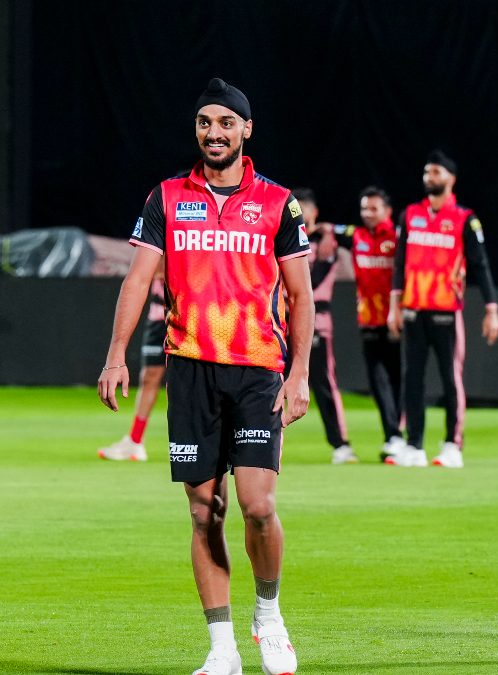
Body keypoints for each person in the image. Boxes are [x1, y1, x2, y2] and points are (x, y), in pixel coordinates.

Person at [98, 77, 312, 675]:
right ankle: (221, 650)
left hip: (258, 371)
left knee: (258, 506)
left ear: (247, 129)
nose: (213, 133)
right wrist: (116, 354)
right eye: (204, 123)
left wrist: (300, 375)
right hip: (190, 370)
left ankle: (267, 613)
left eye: (225, 123)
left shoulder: (278, 203)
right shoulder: (166, 196)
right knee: (202, 510)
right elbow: (137, 279)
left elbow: (300, 294)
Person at [387, 150, 498, 468]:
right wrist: (394, 306)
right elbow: (399, 263)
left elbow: (480, 265)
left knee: (451, 379)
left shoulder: (465, 218)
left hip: (447, 311)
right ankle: (414, 446)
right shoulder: (410, 214)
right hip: (413, 309)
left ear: (451, 178)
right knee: (413, 379)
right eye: (426, 172)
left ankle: (452, 445)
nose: (429, 178)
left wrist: (492, 308)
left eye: (436, 172)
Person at [329, 186, 407, 462]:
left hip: (396, 319)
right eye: (364, 208)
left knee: (399, 379)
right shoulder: (357, 235)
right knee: (378, 382)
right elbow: (332, 229)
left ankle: (398, 436)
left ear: (388, 211)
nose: (368, 214)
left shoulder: (398, 238)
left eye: (374, 208)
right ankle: (394, 436)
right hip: (368, 319)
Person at [294, 187, 356, 465]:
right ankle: (256, 443)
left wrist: (331, 231)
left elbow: (314, 281)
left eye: (304, 207)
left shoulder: (325, 242)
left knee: (323, 384)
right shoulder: (282, 240)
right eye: (296, 207)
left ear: (314, 212)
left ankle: (341, 445)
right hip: (281, 321)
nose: (300, 212)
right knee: (265, 384)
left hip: (316, 323)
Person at [97, 271, 166, 462]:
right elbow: (153, 269)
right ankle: (135, 441)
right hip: (158, 317)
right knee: (149, 377)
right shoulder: (157, 241)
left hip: (187, 314)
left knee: (185, 382)